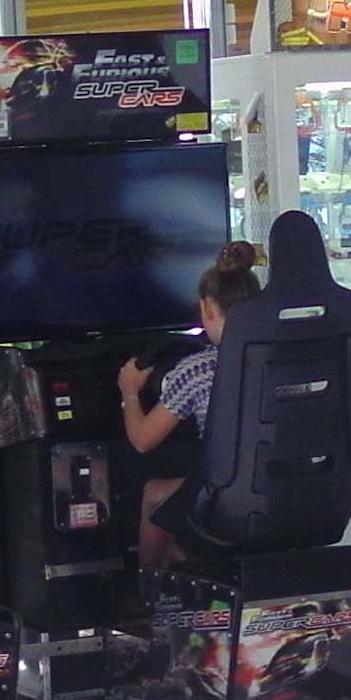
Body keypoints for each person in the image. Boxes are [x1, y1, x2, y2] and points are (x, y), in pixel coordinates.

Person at [117, 241, 262, 569]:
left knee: (156, 494)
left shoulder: (198, 369)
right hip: (283, 486)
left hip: (226, 493)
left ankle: (149, 588)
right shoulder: (282, 360)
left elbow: (142, 440)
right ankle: (181, 560)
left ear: (206, 308)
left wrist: (130, 391)